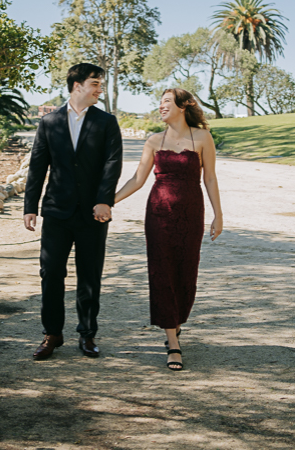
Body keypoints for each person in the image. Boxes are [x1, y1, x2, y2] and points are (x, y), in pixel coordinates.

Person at [113, 88, 223, 370]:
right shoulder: (153, 140)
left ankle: (176, 319)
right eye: (159, 103)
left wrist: (218, 215)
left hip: (191, 213)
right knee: (161, 271)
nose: (161, 107)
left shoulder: (201, 137)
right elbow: (138, 179)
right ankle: (172, 340)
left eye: (166, 102)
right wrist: (108, 201)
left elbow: (210, 178)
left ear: (184, 105)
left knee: (186, 270)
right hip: (158, 214)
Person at [24, 64, 123, 361]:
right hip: (56, 212)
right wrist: (30, 206)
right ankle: (52, 334)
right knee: (50, 273)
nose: (99, 88)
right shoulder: (49, 122)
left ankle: (87, 334)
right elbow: (37, 166)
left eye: (100, 84)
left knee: (90, 276)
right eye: (94, 83)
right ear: (76, 85)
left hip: (94, 213)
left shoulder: (107, 122)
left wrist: (105, 200)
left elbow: (112, 163)